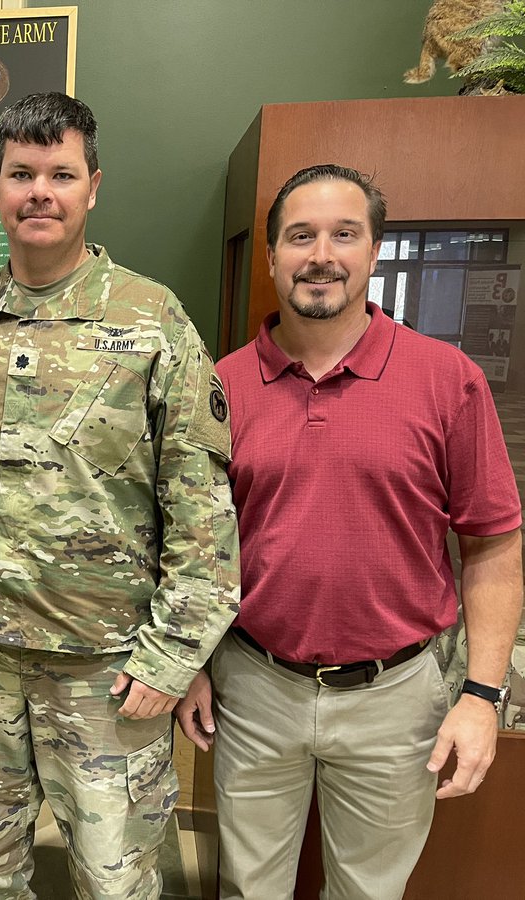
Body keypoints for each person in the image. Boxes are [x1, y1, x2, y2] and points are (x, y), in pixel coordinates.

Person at [0, 92, 239, 899]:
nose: (39, 191)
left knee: (115, 883)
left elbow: (202, 509)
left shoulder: (153, 322)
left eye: (60, 173)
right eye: (22, 173)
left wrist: (173, 655)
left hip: (107, 668)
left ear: (93, 187)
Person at [175, 164, 523, 900]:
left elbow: (492, 544)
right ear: (271, 258)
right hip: (254, 687)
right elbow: (191, 545)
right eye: (300, 236)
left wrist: (481, 698)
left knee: (370, 893)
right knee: (247, 888)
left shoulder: (447, 380)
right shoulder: (221, 387)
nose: (321, 255)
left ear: (372, 252)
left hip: (395, 697)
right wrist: (193, 666)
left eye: (344, 234)